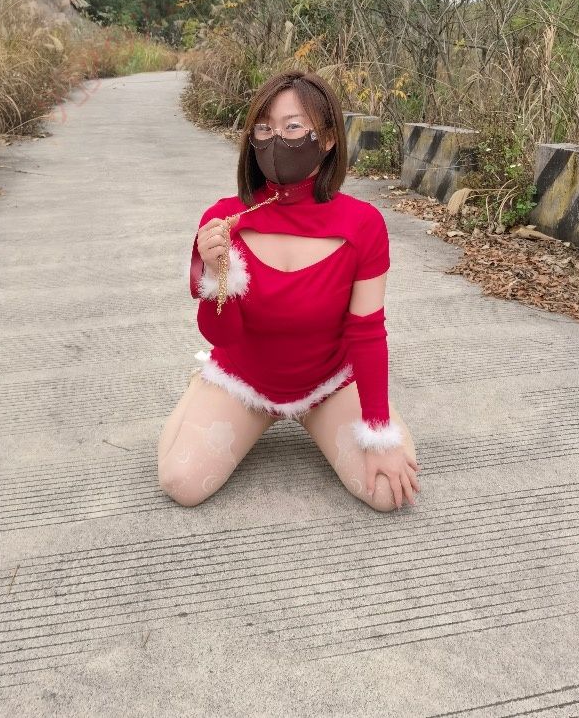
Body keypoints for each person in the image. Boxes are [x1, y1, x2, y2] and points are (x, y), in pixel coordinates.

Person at [158, 70, 420, 511]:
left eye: (293, 127)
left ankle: (315, 416)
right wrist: (216, 271)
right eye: (264, 129)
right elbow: (220, 334)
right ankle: (202, 389)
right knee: (181, 484)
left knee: (387, 493)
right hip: (244, 380)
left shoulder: (363, 224)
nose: (276, 139)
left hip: (328, 383)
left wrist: (378, 431)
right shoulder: (224, 221)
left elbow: (367, 332)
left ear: (329, 138)